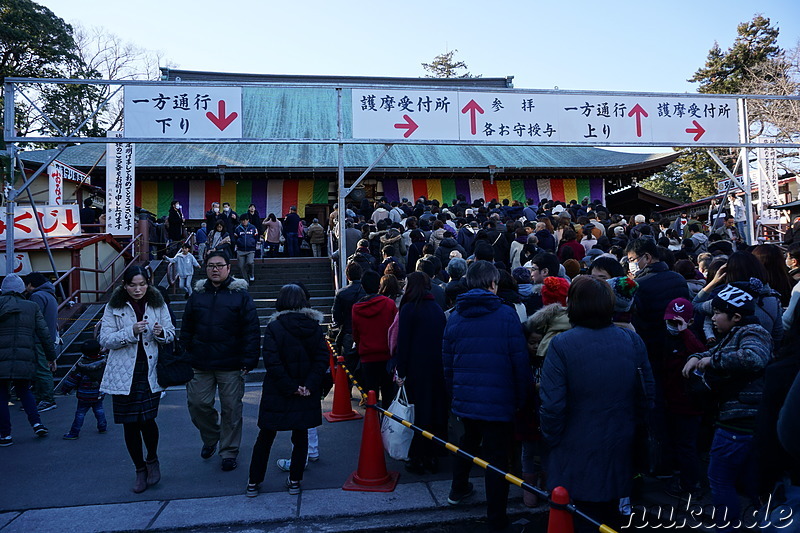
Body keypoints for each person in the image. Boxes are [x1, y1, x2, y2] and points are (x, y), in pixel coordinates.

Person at [540, 276, 654, 532]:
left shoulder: (562, 345)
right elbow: (647, 395)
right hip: (620, 441)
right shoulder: (632, 341)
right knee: (610, 515)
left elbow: (552, 405)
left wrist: (551, 438)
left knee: (578, 516)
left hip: (574, 445)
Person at [442, 261, 533, 531]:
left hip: (465, 396)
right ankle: (497, 518)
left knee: (467, 441)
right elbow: (519, 362)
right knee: (496, 459)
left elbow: (447, 364)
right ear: (493, 284)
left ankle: (457, 489)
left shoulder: (455, 316)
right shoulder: (506, 315)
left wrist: (454, 394)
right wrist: (523, 398)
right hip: (499, 400)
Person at [682, 282, 772, 529]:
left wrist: (712, 360)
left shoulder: (753, 332)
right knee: (746, 482)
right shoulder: (735, 333)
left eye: (718, 313)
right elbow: (716, 352)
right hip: (737, 419)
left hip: (740, 422)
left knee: (720, 478)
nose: (713, 318)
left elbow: (754, 358)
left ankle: (728, 525)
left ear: (736, 317)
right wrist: (696, 357)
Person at [246, 284, 328, 498]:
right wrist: (308, 385)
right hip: (306, 392)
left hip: (278, 390)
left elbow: (272, 362)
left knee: (266, 436)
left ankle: (254, 482)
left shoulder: (275, 327)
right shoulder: (314, 326)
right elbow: (321, 359)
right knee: (300, 436)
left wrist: (290, 387)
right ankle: (295, 481)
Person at [181, 251, 261, 472]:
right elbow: (186, 328)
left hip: (232, 362)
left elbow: (251, 330)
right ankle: (211, 436)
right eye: (210, 265)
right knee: (197, 404)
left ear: (228, 267)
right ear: (205, 268)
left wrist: (249, 358)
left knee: (231, 409)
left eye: (219, 265)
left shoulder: (241, 295)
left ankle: (229, 451)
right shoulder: (197, 296)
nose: (215, 269)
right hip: (200, 361)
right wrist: (184, 353)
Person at [98, 266, 175, 493]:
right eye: (133, 285)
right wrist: (130, 331)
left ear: (148, 284)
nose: (138, 289)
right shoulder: (114, 306)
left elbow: (171, 333)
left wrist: (161, 333)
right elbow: (106, 339)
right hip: (124, 371)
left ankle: (152, 459)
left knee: (148, 420)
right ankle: (139, 469)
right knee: (130, 424)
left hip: (149, 369)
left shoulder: (158, 303)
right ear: (125, 285)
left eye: (142, 284)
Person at [394, 272, 448, 475]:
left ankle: (418, 457)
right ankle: (433, 455)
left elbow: (403, 343)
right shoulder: (435, 308)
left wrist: (401, 371)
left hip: (416, 371)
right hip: (436, 369)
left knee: (417, 415)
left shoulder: (409, 309)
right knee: (434, 412)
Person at [0, 274, 56, 446]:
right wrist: (51, 356)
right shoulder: (31, 306)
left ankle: (5, 435)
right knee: (24, 391)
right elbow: (44, 333)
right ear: (21, 289)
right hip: (25, 357)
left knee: (1, 395)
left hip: (1, 358)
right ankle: (37, 423)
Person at [351, 270, 397, 409]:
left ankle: (373, 426)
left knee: (371, 395)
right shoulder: (389, 304)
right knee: (388, 395)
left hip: (367, 356)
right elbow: (395, 329)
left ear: (363, 287)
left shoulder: (356, 308)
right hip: (387, 355)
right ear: (379, 286)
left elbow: (356, 333)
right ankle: (388, 427)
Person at [22, 272, 59, 412]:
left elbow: (32, 317)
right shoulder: (50, 295)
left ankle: (47, 399)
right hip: (48, 337)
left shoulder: (37, 296)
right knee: (44, 368)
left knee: (41, 370)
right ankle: (41, 399)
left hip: (38, 338)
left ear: (30, 284)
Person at [59, 339, 107, 440]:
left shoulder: (81, 366)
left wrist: (65, 389)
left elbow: (72, 380)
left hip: (84, 395)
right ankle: (102, 426)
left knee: (80, 413)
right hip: (98, 393)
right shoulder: (104, 363)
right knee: (99, 409)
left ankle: (74, 432)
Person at [233, 216, 258, 282]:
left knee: (250, 262)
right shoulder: (237, 228)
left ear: (248, 220)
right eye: (243, 220)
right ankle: (245, 280)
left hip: (250, 249)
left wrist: (253, 244)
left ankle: (251, 274)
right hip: (240, 250)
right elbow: (235, 238)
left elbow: (256, 237)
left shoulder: (253, 228)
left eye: (245, 220)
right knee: (241, 266)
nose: (244, 222)